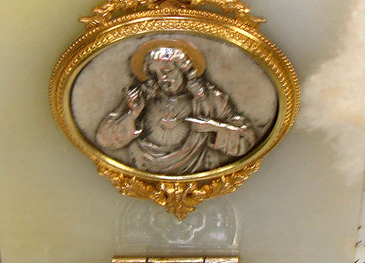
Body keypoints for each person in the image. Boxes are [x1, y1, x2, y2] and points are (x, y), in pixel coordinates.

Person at [95, 41, 256, 175]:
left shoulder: (210, 99)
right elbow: (104, 140)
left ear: (184, 70)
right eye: (156, 73)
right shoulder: (141, 96)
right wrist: (133, 114)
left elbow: (247, 141)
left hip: (196, 167)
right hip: (142, 167)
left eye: (167, 71)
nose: (161, 78)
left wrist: (214, 127)